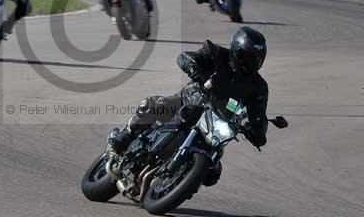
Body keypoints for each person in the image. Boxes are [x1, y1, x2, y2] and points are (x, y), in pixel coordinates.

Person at [109, 27, 270, 156]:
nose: (254, 62)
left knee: (213, 170)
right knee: (156, 105)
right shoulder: (216, 54)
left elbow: (259, 113)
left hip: (216, 123)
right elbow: (185, 57)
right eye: (249, 57)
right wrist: (194, 70)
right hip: (187, 101)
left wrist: (258, 132)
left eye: (258, 58)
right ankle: (126, 134)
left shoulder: (258, 86)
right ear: (237, 51)